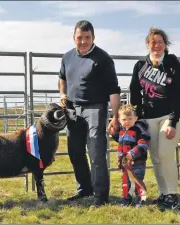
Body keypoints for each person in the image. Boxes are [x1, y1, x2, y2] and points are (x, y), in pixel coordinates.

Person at [58, 20, 121, 207]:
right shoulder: (67, 57)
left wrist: (115, 117)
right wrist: (62, 94)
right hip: (72, 108)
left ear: (93, 37)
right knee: (75, 151)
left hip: (95, 108)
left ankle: (100, 195)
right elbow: (62, 78)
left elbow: (113, 90)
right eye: (80, 38)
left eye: (87, 38)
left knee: (96, 151)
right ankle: (85, 188)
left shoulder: (103, 59)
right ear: (73, 38)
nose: (83, 41)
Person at [129, 27, 180, 211]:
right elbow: (134, 92)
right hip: (148, 118)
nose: (157, 45)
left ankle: (173, 194)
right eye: (153, 41)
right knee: (155, 156)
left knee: (164, 153)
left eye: (160, 42)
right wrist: (137, 116)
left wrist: (173, 121)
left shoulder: (173, 64)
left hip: (169, 116)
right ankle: (163, 193)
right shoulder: (140, 66)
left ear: (165, 44)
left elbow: (179, 94)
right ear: (148, 44)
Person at [109, 104, 150, 208]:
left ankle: (141, 199)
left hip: (137, 162)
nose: (127, 121)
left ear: (136, 118)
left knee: (138, 181)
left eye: (130, 118)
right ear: (119, 119)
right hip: (125, 164)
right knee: (126, 182)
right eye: (124, 119)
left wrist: (132, 153)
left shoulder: (139, 130)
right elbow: (121, 141)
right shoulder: (122, 131)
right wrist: (114, 134)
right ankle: (126, 199)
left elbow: (143, 144)